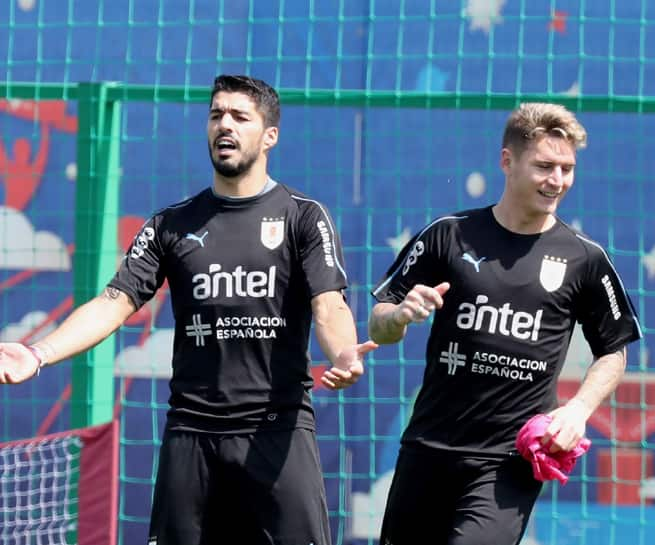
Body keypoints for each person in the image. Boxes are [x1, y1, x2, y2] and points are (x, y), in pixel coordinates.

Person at [0, 74, 376, 545]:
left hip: (278, 432)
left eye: (241, 117)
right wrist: (37, 355)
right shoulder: (171, 225)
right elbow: (113, 303)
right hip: (191, 437)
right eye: (217, 114)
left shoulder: (302, 216)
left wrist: (343, 353)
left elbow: (329, 304)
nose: (225, 126)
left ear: (270, 135)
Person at [368, 102, 642, 545]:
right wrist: (398, 317)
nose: (557, 180)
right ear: (507, 161)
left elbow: (613, 350)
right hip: (428, 448)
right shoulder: (447, 235)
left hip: (506, 464)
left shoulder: (584, 259)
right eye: (545, 166)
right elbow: (378, 323)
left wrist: (578, 410)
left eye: (567, 168)